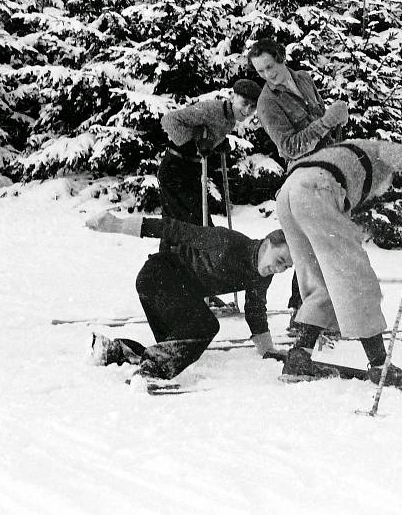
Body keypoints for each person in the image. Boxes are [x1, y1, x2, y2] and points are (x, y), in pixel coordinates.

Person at [274, 139, 402, 389]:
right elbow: (401, 154)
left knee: (320, 280)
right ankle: (381, 367)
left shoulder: (343, 153)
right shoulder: (375, 149)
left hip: (287, 193)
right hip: (317, 188)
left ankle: (298, 359)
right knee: (355, 277)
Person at [84, 210, 293, 383]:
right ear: (267, 245)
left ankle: (112, 351)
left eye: (286, 266)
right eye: (280, 259)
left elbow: (255, 310)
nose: (280, 269)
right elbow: (174, 229)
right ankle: (151, 372)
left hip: (176, 293)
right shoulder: (227, 242)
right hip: (158, 277)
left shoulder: (262, 275)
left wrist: (268, 351)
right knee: (204, 327)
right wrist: (117, 224)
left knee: (174, 347)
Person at [247, 37, 348, 320]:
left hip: (329, 170)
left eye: (269, 66)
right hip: (303, 176)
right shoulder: (267, 104)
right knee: (311, 245)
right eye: (260, 72)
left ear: (281, 57)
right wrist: (327, 121)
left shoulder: (303, 79)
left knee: (327, 243)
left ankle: (324, 312)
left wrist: (335, 122)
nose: (268, 75)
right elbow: (289, 147)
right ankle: (301, 313)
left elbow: (321, 119)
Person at [158, 79, 261, 233]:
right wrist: (195, 141)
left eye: (252, 107)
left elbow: (207, 133)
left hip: (190, 172)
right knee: (188, 225)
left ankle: (181, 256)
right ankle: (170, 257)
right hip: (175, 169)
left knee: (191, 225)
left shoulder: (230, 119)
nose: (247, 110)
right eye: (244, 103)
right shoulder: (211, 109)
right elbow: (169, 121)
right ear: (232, 97)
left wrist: (217, 144)